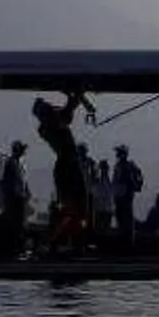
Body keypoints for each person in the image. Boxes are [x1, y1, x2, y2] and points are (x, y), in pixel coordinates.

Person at [33, 93, 93, 248]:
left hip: (65, 166)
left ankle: (66, 241)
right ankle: (66, 241)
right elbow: (68, 111)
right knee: (76, 205)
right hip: (68, 166)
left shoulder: (46, 126)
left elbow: (67, 111)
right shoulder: (51, 123)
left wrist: (72, 97)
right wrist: (72, 96)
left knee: (72, 206)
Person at [0, 140, 31, 250]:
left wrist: (26, 191)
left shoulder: (17, 163)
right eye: (21, 150)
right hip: (14, 198)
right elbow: (11, 183)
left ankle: (17, 245)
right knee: (15, 222)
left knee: (18, 222)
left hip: (17, 197)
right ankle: (15, 246)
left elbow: (20, 181)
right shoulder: (12, 163)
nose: (23, 152)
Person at [113, 145, 144, 242]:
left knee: (127, 219)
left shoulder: (130, 165)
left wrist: (136, 185)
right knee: (120, 218)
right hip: (118, 195)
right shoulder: (117, 166)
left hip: (126, 195)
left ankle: (129, 241)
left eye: (119, 152)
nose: (117, 154)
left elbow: (139, 176)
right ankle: (122, 240)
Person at [92, 160, 116, 235]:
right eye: (103, 168)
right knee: (99, 229)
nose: (104, 170)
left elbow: (110, 194)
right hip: (100, 209)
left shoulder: (107, 181)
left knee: (105, 229)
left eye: (105, 168)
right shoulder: (98, 180)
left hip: (106, 209)